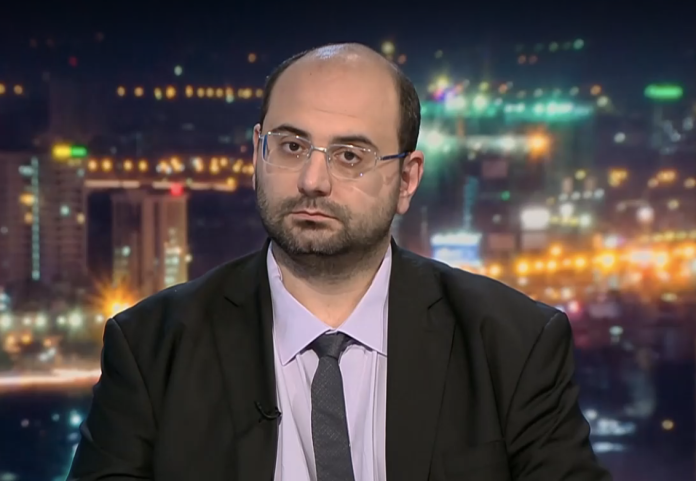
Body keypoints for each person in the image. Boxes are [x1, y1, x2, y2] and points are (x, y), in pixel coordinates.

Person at [68, 43, 612, 481]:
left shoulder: (512, 344)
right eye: (291, 147)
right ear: (256, 154)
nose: (313, 180)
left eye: (350, 156)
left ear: (407, 180)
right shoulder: (151, 348)